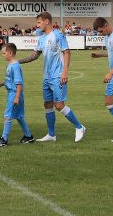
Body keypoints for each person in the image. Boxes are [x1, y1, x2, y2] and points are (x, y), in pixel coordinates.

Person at [16, 11, 86, 143]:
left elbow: (67, 52)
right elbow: (35, 55)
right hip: (47, 77)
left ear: (46, 21)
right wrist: (18, 61)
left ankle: (79, 127)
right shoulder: (42, 38)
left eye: (39, 22)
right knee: (48, 104)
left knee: (59, 105)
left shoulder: (58, 35)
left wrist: (65, 71)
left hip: (58, 76)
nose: (37, 25)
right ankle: (51, 135)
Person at [0, 43, 33, 146]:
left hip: (14, 94)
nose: (3, 55)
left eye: (4, 53)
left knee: (7, 116)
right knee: (19, 116)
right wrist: (1, 84)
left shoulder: (14, 66)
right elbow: (11, 81)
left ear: (10, 53)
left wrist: (17, 97)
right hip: (15, 93)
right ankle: (28, 136)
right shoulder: (10, 64)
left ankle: (4, 139)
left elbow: (19, 83)